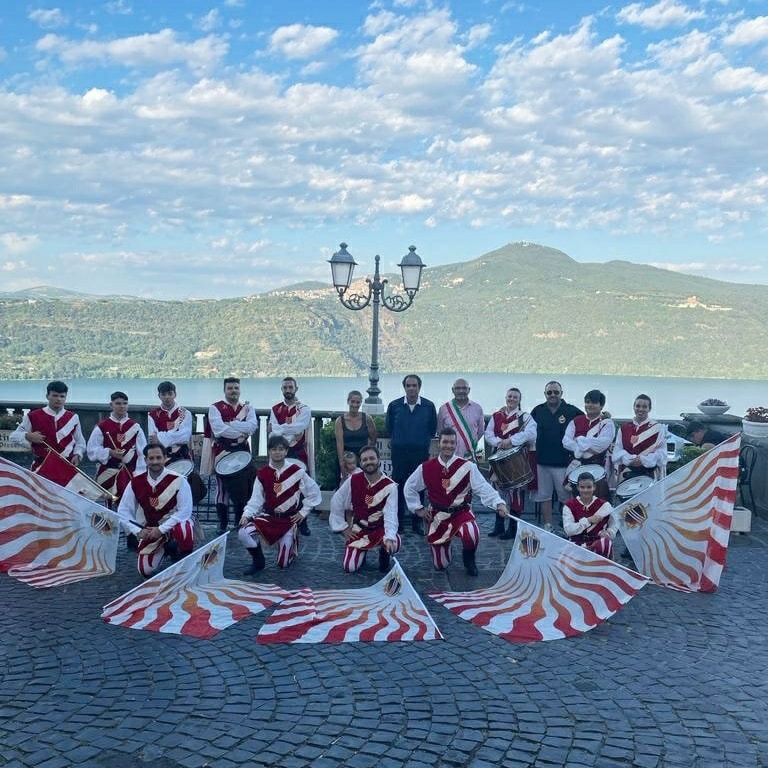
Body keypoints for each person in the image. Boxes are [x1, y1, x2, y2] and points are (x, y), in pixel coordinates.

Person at [404, 427, 508, 576]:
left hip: (461, 513)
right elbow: (409, 487)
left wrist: (499, 503)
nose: (448, 445)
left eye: (452, 442)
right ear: (438, 444)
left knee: (471, 534)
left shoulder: (467, 466)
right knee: (441, 565)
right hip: (438, 516)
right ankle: (446, 545)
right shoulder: (426, 468)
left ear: (456, 444)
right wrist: (418, 508)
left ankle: (469, 559)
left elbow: (483, 487)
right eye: (445, 442)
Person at [237, 435, 322, 573]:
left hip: (288, 521)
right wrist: (247, 515)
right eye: (274, 449)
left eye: (281, 449)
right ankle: (258, 561)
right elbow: (256, 499)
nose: (277, 452)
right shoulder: (262, 473)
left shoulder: (297, 471)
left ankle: (292, 540)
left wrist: (303, 512)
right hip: (269, 518)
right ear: (269, 451)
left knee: (283, 564)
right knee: (244, 533)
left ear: (286, 451)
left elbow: (314, 492)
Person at [117, 443, 195, 577]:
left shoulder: (179, 480)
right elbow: (123, 511)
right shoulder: (135, 482)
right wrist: (137, 531)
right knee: (145, 570)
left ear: (165, 458)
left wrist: (162, 529)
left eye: (158, 458)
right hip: (151, 529)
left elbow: (185, 512)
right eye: (151, 458)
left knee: (183, 529)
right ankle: (165, 548)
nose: (155, 462)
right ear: (146, 460)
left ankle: (184, 561)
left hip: (174, 525)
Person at [329, 445, 400, 573]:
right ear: (361, 463)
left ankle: (384, 555)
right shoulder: (354, 480)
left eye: (372, 458)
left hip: (379, 529)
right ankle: (362, 551)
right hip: (359, 529)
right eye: (365, 459)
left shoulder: (390, 486)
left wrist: (389, 537)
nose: (369, 462)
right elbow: (337, 500)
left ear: (378, 460)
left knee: (394, 543)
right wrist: (343, 527)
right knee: (349, 567)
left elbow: (391, 513)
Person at [386, 374, 437, 535]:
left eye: (414, 385)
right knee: (398, 487)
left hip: (419, 454)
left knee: (419, 487)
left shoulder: (428, 406)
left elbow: (432, 429)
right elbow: (389, 428)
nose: (411, 388)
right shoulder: (394, 406)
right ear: (404, 387)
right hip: (399, 454)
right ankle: (398, 522)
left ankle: (417, 523)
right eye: (408, 385)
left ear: (419, 387)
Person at [484, 387, 537, 539]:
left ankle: (513, 529)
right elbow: (488, 435)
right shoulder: (496, 416)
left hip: (516, 460)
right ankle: (499, 526)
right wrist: (501, 442)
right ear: (505, 397)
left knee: (515, 494)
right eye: (509, 396)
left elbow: (532, 434)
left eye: (515, 397)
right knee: (498, 492)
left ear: (519, 400)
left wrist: (512, 441)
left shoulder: (525, 417)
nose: (512, 399)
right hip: (498, 458)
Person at [9, 380, 86, 485]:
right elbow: (13, 436)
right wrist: (28, 436)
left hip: (66, 467)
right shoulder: (33, 416)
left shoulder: (73, 417)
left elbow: (80, 441)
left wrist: (77, 454)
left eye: (62, 396)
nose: (58, 399)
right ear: (47, 396)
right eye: (55, 395)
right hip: (41, 467)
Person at [530, 381, 583, 532]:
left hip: (563, 463)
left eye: (556, 392)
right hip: (541, 462)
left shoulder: (571, 411)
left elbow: (589, 422)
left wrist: (605, 416)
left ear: (561, 394)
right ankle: (548, 525)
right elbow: (524, 426)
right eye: (549, 392)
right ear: (545, 394)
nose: (553, 395)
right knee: (544, 496)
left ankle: (569, 526)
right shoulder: (538, 411)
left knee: (566, 497)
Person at [207, 377, 258, 534]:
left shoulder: (248, 408)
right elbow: (219, 430)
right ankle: (222, 523)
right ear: (224, 390)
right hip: (223, 450)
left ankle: (240, 520)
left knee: (245, 485)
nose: (233, 391)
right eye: (230, 388)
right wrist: (241, 431)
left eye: (236, 388)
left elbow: (252, 426)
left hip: (243, 451)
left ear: (240, 389)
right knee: (223, 488)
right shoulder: (215, 408)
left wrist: (231, 424)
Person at [269, 376, 312, 536]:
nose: (288, 390)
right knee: (280, 486)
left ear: (296, 389)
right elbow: (274, 429)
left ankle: (303, 522)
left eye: (290, 387)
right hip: (280, 453)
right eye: (285, 388)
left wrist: (282, 429)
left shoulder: (304, 409)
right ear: (282, 390)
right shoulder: (275, 409)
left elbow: (300, 427)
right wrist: (287, 430)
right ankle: (282, 520)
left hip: (298, 451)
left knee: (302, 488)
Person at [87, 391, 147, 505]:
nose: (122, 406)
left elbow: (142, 453)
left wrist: (139, 474)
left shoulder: (135, 427)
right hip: (108, 473)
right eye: (118, 403)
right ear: (111, 405)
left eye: (125, 403)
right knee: (110, 505)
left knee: (129, 504)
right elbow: (92, 451)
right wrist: (109, 452)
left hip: (130, 472)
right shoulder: (102, 427)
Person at [562, 389, 615, 481]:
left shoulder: (607, 423)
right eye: (587, 402)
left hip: (598, 468)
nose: (590, 405)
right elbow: (565, 441)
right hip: (576, 467)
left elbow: (601, 445)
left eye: (594, 403)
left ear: (601, 406)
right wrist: (580, 448)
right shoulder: (576, 420)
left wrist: (578, 439)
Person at [562, 472, 617, 559]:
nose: (585, 490)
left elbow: (615, 523)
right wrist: (588, 520)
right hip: (577, 542)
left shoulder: (604, 505)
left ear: (594, 487)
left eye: (589, 487)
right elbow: (569, 530)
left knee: (605, 544)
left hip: (597, 542)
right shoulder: (569, 505)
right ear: (577, 487)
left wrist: (609, 532)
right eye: (582, 487)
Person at [612, 394, 668, 481]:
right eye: (638, 406)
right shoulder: (624, 428)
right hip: (626, 473)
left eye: (644, 407)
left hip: (649, 474)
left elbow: (662, 453)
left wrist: (643, 460)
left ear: (649, 409)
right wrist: (630, 459)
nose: (640, 409)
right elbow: (617, 451)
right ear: (633, 407)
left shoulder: (658, 429)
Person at [436, 378, 485, 460]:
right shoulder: (444, 409)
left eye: (464, 388)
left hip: (469, 456)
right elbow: (440, 432)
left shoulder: (477, 408)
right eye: (458, 388)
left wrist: (470, 444)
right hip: (449, 457)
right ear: (453, 390)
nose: (461, 391)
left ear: (469, 390)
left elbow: (480, 433)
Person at [334, 390, 377, 481]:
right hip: (347, 459)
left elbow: (373, 438)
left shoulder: (367, 418)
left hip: (363, 459)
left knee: (364, 487)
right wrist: (342, 464)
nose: (355, 405)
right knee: (345, 489)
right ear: (348, 401)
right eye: (352, 401)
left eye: (358, 402)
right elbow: (339, 444)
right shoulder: (340, 421)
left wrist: (367, 454)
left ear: (361, 403)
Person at [148, 381, 193, 462]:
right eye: (163, 394)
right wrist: (175, 439)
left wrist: (160, 437)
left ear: (175, 394)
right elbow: (153, 439)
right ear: (159, 396)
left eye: (170, 394)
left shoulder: (185, 413)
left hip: (182, 455)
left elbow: (185, 437)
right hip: (160, 457)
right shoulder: (152, 415)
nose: (167, 397)